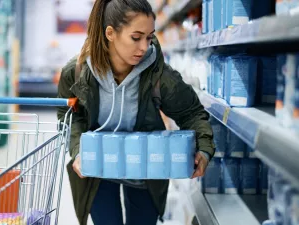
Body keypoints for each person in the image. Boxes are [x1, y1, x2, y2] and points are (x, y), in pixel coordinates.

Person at [57, 0, 215, 225]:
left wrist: (204, 148)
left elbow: (192, 112)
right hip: (97, 170)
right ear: (110, 33)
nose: (144, 47)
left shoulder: (159, 76)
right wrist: (78, 150)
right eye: (136, 37)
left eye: (149, 37)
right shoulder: (77, 72)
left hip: (146, 167)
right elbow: (69, 117)